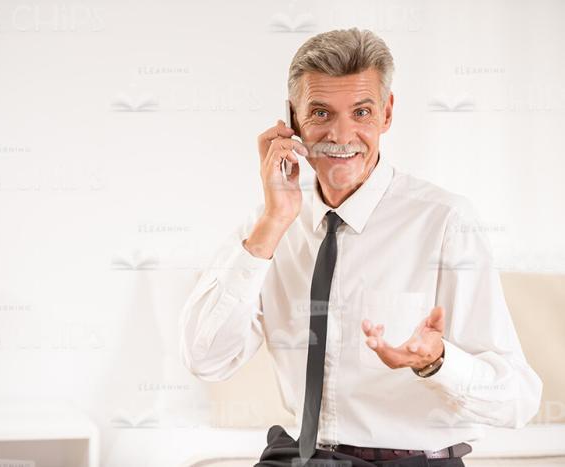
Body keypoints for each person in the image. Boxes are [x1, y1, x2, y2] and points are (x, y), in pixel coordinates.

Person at [179, 28, 542, 467]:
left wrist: (437, 362)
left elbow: (519, 402)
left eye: (361, 112)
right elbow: (206, 359)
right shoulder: (272, 223)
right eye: (320, 113)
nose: (341, 134)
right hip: (297, 456)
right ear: (292, 120)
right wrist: (272, 223)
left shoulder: (446, 222)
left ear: (387, 114)